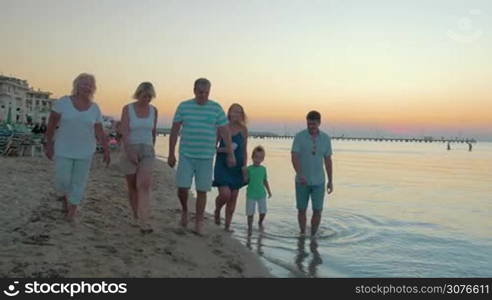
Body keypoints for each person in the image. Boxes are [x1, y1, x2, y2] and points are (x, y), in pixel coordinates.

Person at [168, 78, 235, 235]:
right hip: (186, 154)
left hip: (206, 156)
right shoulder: (184, 107)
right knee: (182, 187)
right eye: (200, 92)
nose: (203, 96)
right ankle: (185, 210)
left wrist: (230, 153)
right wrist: (171, 153)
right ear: (194, 91)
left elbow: (225, 132)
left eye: (206, 93)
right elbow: (174, 130)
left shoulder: (216, 108)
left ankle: (198, 221)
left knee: (202, 190)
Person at [45, 73, 110, 222]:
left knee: (79, 182)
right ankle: (65, 197)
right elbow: (52, 123)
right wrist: (49, 143)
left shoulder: (95, 108)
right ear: (77, 85)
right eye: (83, 83)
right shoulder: (64, 102)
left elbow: (99, 131)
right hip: (63, 148)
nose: (86, 86)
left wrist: (106, 150)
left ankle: (72, 212)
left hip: (85, 151)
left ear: (93, 88)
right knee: (62, 181)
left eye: (89, 84)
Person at [119, 82, 158, 234]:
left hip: (147, 150)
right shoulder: (128, 109)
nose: (147, 99)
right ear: (138, 94)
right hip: (130, 148)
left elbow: (153, 132)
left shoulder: (154, 110)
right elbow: (124, 130)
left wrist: (152, 146)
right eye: (144, 96)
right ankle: (136, 214)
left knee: (144, 185)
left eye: (149, 96)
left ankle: (144, 220)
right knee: (133, 186)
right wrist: (129, 151)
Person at [291, 110, 333, 236]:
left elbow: (328, 160)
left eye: (313, 124)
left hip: (319, 181)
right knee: (301, 209)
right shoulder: (299, 136)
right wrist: (299, 174)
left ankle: (314, 236)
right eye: (309, 124)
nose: (311, 126)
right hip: (301, 181)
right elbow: (294, 156)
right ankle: (303, 233)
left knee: (318, 210)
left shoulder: (325, 139)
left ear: (319, 123)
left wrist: (330, 180)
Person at [213, 103, 248, 232]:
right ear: (229, 113)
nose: (236, 114)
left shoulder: (243, 130)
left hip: (237, 167)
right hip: (223, 164)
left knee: (233, 197)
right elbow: (214, 147)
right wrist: (226, 149)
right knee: (225, 194)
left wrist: (244, 167)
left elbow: (244, 150)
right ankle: (217, 210)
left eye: (239, 112)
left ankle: (227, 226)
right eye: (234, 111)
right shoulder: (222, 127)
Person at [245, 146, 272, 236]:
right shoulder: (249, 169)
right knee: (250, 213)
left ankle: (260, 222)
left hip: (261, 194)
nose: (258, 159)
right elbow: (246, 180)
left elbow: (265, 181)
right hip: (251, 194)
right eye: (256, 157)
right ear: (252, 157)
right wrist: (244, 173)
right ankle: (249, 227)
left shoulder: (263, 169)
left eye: (260, 158)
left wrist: (269, 191)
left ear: (263, 159)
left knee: (263, 211)